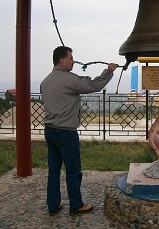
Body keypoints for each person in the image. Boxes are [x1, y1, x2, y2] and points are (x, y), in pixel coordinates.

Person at [40, 46, 118, 215]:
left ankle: (53, 205)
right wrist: (109, 71)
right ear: (62, 60)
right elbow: (94, 85)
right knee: (73, 170)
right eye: (71, 58)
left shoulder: (45, 82)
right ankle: (76, 205)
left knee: (53, 171)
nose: (73, 61)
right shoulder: (68, 79)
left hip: (50, 130)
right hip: (66, 132)